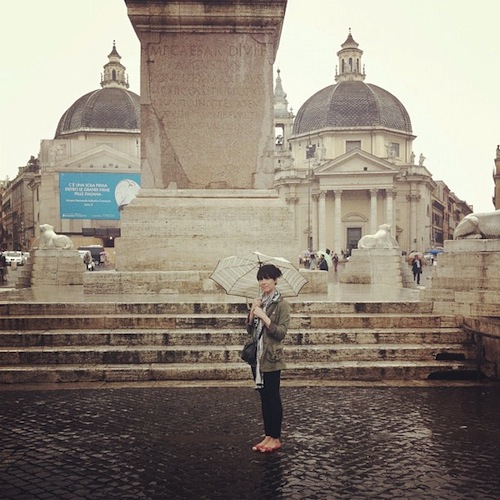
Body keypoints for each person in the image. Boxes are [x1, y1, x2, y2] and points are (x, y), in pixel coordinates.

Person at [246, 264, 290, 453]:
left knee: (273, 398)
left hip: (271, 358)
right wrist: (252, 311)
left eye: (267, 278)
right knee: (264, 398)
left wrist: (264, 316)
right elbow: (250, 330)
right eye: (260, 279)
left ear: (275, 280)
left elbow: (280, 333)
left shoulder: (281, 304)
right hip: (257, 358)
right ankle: (268, 436)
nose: (263, 282)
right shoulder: (260, 301)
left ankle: (276, 438)